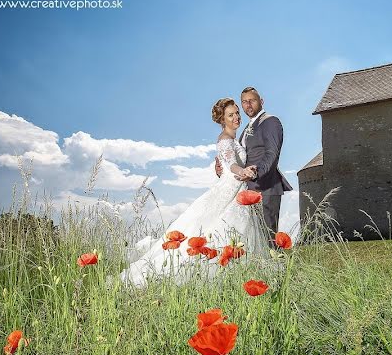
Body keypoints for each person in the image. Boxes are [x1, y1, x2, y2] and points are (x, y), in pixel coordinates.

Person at [121, 98, 269, 286]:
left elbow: (225, 165)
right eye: (230, 115)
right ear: (222, 120)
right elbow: (232, 165)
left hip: (237, 188)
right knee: (217, 230)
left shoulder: (234, 139)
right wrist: (243, 172)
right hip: (230, 187)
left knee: (235, 231)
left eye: (237, 113)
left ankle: (239, 275)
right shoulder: (224, 140)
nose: (236, 117)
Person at [215, 87, 292, 241]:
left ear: (261, 101)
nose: (248, 105)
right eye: (244, 102)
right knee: (255, 240)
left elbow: (272, 154)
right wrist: (223, 169)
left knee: (268, 238)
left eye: (252, 100)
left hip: (266, 187)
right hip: (248, 189)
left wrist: (256, 172)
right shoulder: (245, 130)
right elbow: (236, 158)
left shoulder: (271, 121)